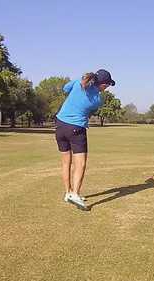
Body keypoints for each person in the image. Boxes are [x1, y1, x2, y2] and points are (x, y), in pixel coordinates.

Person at [55, 69, 115, 210]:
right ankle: (75, 194)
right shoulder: (97, 100)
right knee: (80, 164)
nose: (106, 88)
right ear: (102, 84)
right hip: (76, 128)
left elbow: (65, 88)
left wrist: (79, 84)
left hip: (59, 125)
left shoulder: (77, 82)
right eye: (106, 85)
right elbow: (91, 105)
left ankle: (68, 192)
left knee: (66, 163)